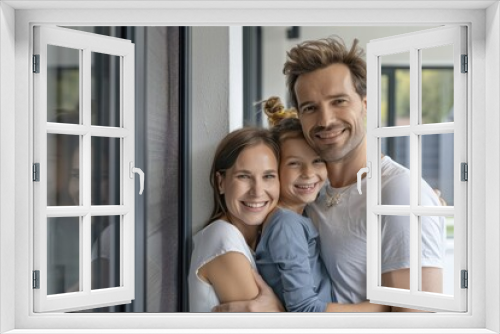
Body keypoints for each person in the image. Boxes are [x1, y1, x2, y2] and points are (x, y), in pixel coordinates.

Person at [214, 36, 444, 312]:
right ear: (299, 115)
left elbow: (415, 323)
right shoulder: (311, 191)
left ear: (366, 104)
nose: (325, 120)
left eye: (338, 101)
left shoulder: (398, 194)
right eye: (310, 108)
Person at [255, 97, 388, 312]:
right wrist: (380, 308)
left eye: (317, 161)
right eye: (294, 163)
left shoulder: (305, 210)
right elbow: (304, 309)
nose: (308, 174)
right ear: (274, 169)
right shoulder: (286, 224)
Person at [188, 127, 283, 312]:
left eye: (268, 176)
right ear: (221, 182)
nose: (257, 191)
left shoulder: (264, 242)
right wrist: (278, 310)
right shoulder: (223, 238)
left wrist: (277, 311)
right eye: (244, 176)